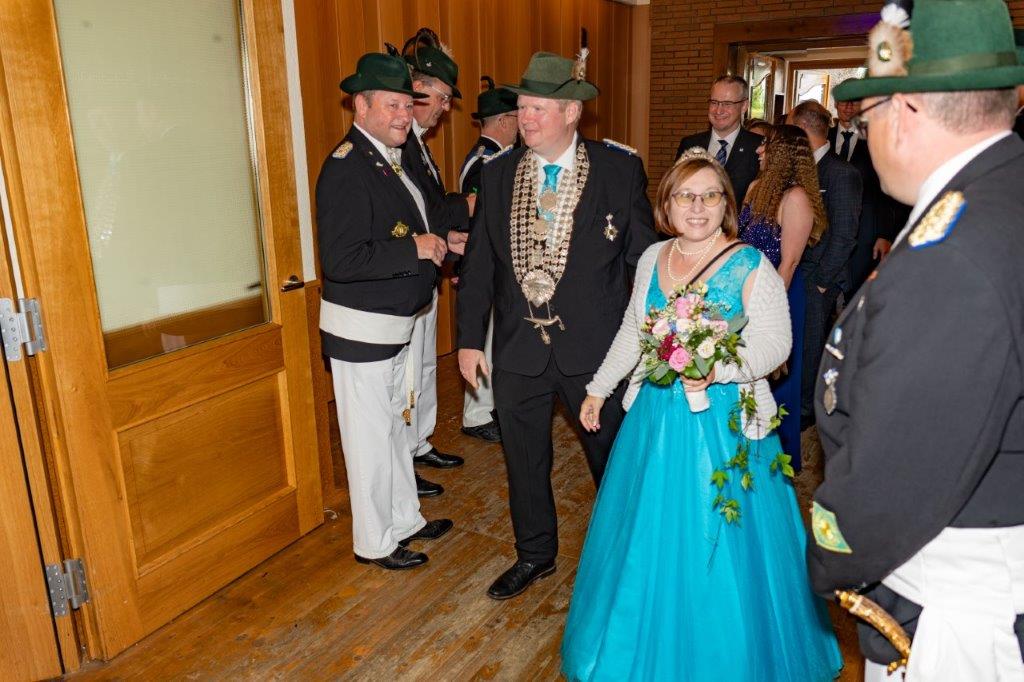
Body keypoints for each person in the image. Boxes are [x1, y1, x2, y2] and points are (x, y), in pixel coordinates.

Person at [561, 150, 842, 681]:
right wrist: (598, 388)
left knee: (721, 535)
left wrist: (720, 370)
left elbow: (777, 344)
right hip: (655, 420)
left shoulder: (750, 264)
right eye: (685, 196)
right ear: (666, 206)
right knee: (648, 535)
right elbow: (634, 331)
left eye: (710, 195)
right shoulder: (652, 258)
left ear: (725, 205)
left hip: (726, 421)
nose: (697, 207)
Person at [807, 0, 1024, 678]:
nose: (867, 135)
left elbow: (895, 473)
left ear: (904, 109)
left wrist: (828, 554)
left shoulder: (949, 259)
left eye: (867, 117)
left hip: (953, 608)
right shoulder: (997, 192)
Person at [456, 51, 657, 600]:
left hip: (596, 354)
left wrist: (650, 340)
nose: (525, 118)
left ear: (571, 112)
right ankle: (535, 554)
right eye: (521, 108)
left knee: (612, 460)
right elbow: (478, 267)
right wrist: (469, 340)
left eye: (537, 108)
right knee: (524, 462)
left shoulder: (618, 171)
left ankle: (630, 559)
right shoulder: (498, 175)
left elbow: (643, 263)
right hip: (518, 348)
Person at [316, 51, 454, 571]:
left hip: (392, 325)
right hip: (362, 330)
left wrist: (439, 240)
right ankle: (374, 541)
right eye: (392, 105)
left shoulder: (386, 157)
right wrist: (413, 248)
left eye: (407, 104)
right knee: (370, 441)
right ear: (361, 105)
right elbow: (342, 260)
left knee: (396, 427)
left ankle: (404, 519)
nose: (403, 115)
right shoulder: (347, 167)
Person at [400, 28, 473, 492]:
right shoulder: (400, 141)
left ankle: (420, 441)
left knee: (425, 366)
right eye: (442, 98)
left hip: (427, 272)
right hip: (405, 274)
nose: (445, 108)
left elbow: (426, 211)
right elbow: (418, 212)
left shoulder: (420, 142)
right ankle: (405, 454)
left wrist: (447, 234)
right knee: (407, 374)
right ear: (417, 89)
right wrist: (465, 206)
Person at [740, 124, 828, 468]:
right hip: (746, 292)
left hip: (780, 298)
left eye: (766, 145)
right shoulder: (755, 188)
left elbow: (788, 264)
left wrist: (764, 315)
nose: (758, 150)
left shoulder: (796, 199)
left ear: (784, 155)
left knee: (775, 378)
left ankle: (774, 463)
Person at [788, 100, 861, 430]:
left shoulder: (841, 173)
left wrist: (821, 282)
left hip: (818, 278)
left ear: (802, 129)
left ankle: (806, 415)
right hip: (798, 272)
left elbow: (845, 235)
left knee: (810, 349)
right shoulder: (799, 169)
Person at [457, 76, 519, 445]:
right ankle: (477, 413)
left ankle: (486, 407)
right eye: (518, 117)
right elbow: (477, 220)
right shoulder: (487, 161)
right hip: (488, 263)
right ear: (505, 121)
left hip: (492, 263)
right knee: (483, 340)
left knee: (493, 340)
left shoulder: (487, 156)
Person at [829, 83, 902, 297]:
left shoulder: (877, 140)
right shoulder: (823, 137)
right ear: (836, 104)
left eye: (855, 102)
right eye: (844, 102)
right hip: (828, 230)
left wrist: (884, 234)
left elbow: (885, 192)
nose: (848, 107)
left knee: (858, 289)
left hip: (865, 230)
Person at [676, 75, 763, 204]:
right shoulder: (690, 145)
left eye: (727, 104)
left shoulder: (759, 147)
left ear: (744, 106)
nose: (718, 110)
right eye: (714, 102)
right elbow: (677, 191)